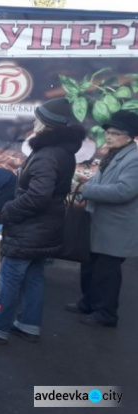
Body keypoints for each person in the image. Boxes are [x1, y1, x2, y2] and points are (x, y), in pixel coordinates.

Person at [0, 97, 85, 344]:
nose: (34, 122)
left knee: (9, 276)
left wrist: (9, 211)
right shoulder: (63, 152)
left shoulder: (48, 154)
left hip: (31, 228)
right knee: (34, 276)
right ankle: (28, 325)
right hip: (46, 227)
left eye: (37, 118)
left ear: (46, 124)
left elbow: (38, 195)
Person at [68, 110, 138, 327]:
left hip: (116, 226)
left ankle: (106, 313)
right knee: (90, 266)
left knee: (106, 273)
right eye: (108, 132)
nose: (108, 136)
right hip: (99, 222)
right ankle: (88, 303)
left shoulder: (134, 159)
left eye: (115, 133)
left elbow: (124, 191)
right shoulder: (114, 154)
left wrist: (86, 189)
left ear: (129, 136)